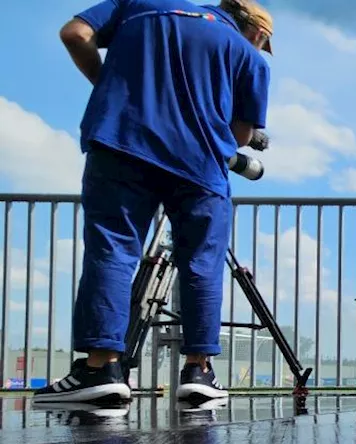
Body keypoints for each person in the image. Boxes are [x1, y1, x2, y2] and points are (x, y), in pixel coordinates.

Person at [35, 0, 273, 406]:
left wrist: (108, 84)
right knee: (201, 261)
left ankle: (100, 368)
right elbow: (239, 135)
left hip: (123, 142)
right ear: (259, 34)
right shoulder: (249, 55)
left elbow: (75, 34)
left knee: (112, 250)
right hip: (200, 164)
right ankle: (198, 371)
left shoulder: (138, 5)